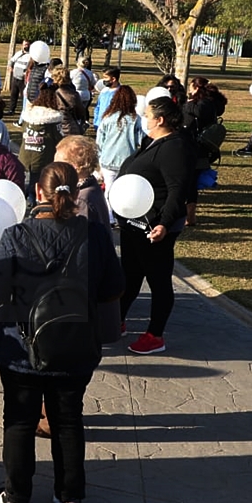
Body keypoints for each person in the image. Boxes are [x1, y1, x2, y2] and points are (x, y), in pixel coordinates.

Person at [0, 161, 123, 503]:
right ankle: (71, 500)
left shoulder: (16, 234)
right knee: (68, 420)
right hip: (76, 344)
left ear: (38, 193)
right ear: (77, 194)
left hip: (20, 348)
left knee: (19, 421)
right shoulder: (95, 235)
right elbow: (112, 290)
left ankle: (17, 501)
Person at [117, 97, 195, 355]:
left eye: (147, 114)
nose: (144, 118)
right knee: (129, 275)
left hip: (153, 228)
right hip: (133, 225)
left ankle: (155, 335)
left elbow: (177, 191)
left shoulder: (174, 147)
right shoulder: (153, 141)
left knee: (158, 281)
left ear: (160, 120)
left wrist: (163, 224)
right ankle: (116, 321)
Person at [182, 77, 228, 227]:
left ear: (196, 88)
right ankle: (191, 216)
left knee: (185, 183)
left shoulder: (196, 105)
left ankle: (186, 215)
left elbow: (188, 122)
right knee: (193, 184)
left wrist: (186, 106)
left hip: (190, 147)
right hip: (205, 148)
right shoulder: (214, 104)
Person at [96, 85, 143, 221]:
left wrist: (99, 159)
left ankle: (110, 217)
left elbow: (100, 141)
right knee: (126, 190)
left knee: (109, 190)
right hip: (128, 160)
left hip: (108, 160)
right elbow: (140, 140)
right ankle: (124, 214)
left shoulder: (107, 118)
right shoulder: (135, 120)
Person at [18, 84, 63, 203]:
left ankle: (28, 195)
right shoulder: (53, 118)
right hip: (44, 154)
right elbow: (58, 137)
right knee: (38, 179)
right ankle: (32, 199)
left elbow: (23, 131)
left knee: (31, 176)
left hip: (26, 152)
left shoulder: (29, 114)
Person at [55, 136, 107, 226]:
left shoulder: (82, 199)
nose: (54, 169)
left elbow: (82, 232)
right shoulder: (90, 185)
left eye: (58, 164)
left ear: (74, 166)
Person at [6, 40, 30, 115]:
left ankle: (25, 112)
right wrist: (10, 66)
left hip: (23, 79)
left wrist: (25, 73)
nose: (26, 46)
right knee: (13, 95)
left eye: (27, 45)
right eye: (24, 45)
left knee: (24, 97)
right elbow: (12, 60)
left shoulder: (31, 55)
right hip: (15, 77)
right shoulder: (18, 53)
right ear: (22, 45)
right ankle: (11, 110)